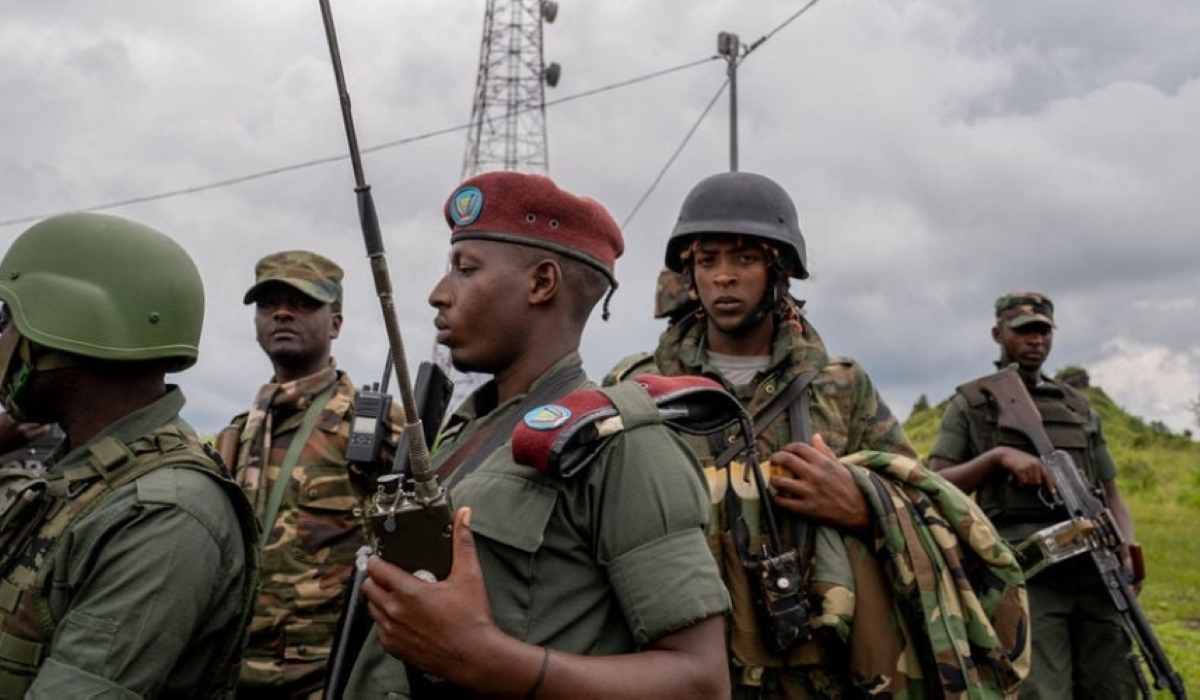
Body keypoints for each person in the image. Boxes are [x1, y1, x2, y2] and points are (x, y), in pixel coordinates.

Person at [606, 171, 1030, 698]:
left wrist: (861, 504)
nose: (724, 278)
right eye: (708, 260)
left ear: (779, 268)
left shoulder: (841, 386)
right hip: (677, 662)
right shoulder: (639, 387)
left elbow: (919, 504)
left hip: (813, 669)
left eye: (744, 259)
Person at [344, 170, 731, 698]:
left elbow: (701, 682)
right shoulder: (462, 434)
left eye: (465, 269)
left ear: (542, 283)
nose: (438, 294)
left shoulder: (623, 444)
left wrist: (486, 658)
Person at [0, 212, 258, 698]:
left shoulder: (163, 512)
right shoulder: (85, 475)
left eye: (8, 318)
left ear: (66, 323)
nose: (3, 338)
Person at [929, 291, 1139, 699]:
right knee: (1041, 690)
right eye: (1024, 331)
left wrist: (1127, 550)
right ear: (998, 333)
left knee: (1114, 684)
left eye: (1043, 332)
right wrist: (996, 458)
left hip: (1095, 571)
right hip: (1028, 575)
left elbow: (1110, 490)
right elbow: (935, 481)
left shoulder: (1077, 407)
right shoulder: (972, 404)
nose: (1035, 341)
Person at [222, 250, 404, 699]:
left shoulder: (375, 425)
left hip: (327, 677)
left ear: (335, 324)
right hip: (232, 672)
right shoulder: (241, 432)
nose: (282, 313)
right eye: (269, 304)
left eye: (303, 303)